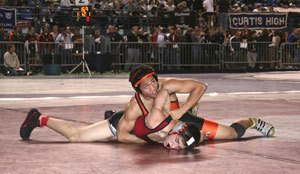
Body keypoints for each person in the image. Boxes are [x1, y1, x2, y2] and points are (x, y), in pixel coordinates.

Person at [20, 65, 275, 149]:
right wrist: (151, 141)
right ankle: (39, 118)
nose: (153, 88)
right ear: (138, 91)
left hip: (177, 120)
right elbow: (122, 136)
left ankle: (251, 120)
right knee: (75, 137)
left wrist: (180, 110)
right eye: (146, 87)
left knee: (231, 134)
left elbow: (201, 86)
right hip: (127, 125)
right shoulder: (134, 106)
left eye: (153, 82)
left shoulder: (168, 85)